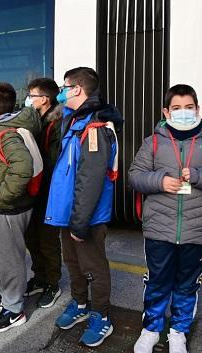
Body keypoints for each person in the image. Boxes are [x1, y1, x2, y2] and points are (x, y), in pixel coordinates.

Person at [128, 84, 202, 353]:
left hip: (198, 229)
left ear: (198, 109)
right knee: (157, 281)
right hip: (159, 229)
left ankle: (179, 331)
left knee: (187, 285)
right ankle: (151, 329)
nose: (183, 113)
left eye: (189, 107)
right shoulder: (153, 142)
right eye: (176, 108)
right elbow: (135, 175)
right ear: (166, 112)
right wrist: (160, 181)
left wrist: (200, 176)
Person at [46, 67, 123, 348]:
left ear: (77, 89)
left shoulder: (95, 128)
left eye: (65, 87)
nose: (61, 92)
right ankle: (79, 304)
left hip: (86, 216)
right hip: (72, 213)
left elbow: (90, 180)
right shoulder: (74, 120)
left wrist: (80, 221)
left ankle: (101, 316)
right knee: (74, 263)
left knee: (93, 266)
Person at [0, 82, 41, 332]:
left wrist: (4, 194)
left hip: (9, 207)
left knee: (8, 258)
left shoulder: (4, 132)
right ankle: (7, 296)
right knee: (0, 254)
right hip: (7, 206)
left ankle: (14, 310)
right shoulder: (10, 126)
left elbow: (22, 166)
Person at [22, 78, 63, 308]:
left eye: (32, 95)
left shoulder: (56, 123)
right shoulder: (34, 120)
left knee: (47, 239)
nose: (29, 99)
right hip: (33, 188)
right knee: (31, 235)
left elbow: (52, 160)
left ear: (44, 99)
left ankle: (52, 283)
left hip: (47, 189)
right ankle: (39, 276)